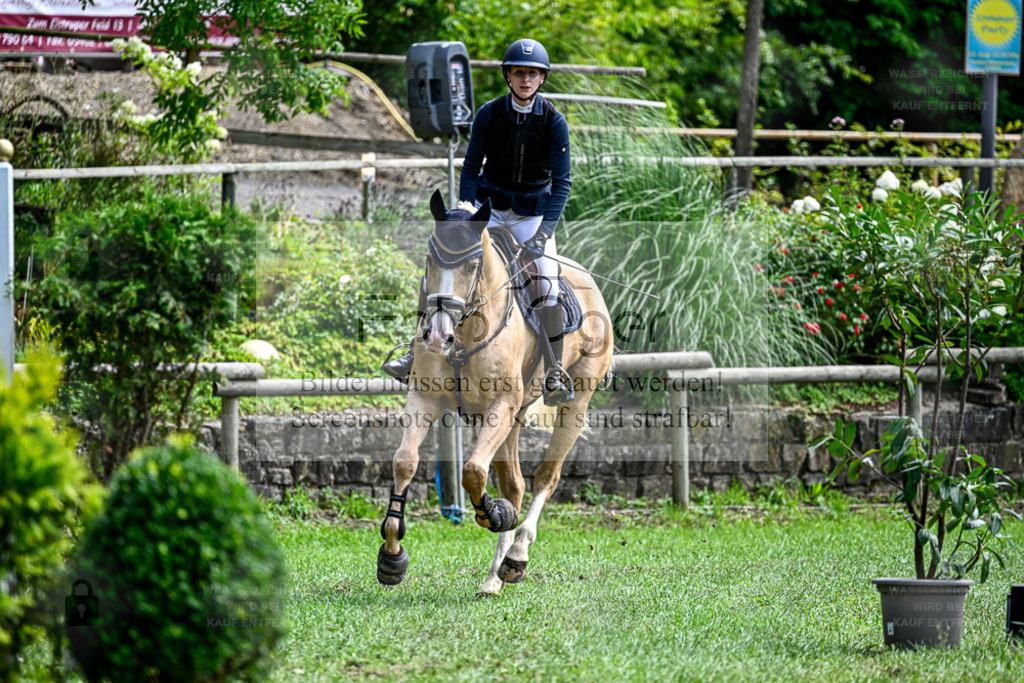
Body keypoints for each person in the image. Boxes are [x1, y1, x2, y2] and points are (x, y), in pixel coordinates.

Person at [383, 38, 574, 405]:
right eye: (519, 72)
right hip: (488, 210)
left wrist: (544, 233)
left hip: (532, 216)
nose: (525, 79)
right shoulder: (488, 113)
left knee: (547, 284)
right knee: (442, 268)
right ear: (508, 75)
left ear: (541, 79)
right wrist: (466, 213)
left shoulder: (554, 121)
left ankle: (554, 371)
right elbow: (471, 168)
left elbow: (562, 184)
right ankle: (414, 353)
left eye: (532, 74)